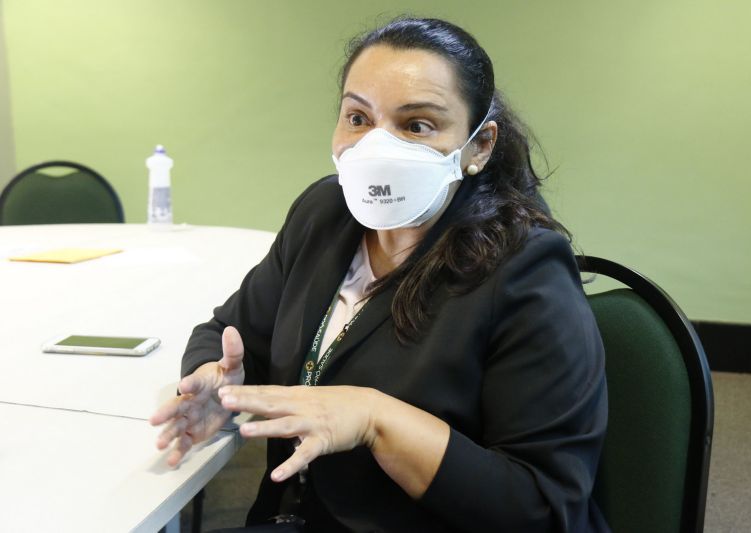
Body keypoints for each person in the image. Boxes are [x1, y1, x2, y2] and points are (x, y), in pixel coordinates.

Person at [150, 17, 609, 533]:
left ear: (478, 147)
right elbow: (231, 333)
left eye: (416, 125)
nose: (376, 148)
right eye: (358, 118)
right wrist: (220, 381)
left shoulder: (525, 268)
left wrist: (374, 419)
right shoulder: (324, 213)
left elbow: (542, 507)